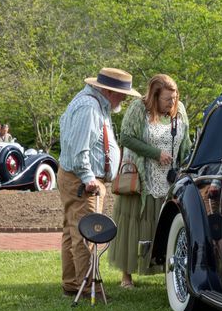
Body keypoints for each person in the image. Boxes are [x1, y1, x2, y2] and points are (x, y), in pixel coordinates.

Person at [58, 67, 140, 297]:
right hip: (83, 181)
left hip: (77, 178)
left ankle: (73, 284)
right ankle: (87, 288)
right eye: (120, 93)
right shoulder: (89, 108)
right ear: (106, 90)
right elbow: (79, 148)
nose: (123, 98)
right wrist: (88, 178)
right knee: (87, 234)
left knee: (73, 231)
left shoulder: (93, 103)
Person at [110, 74, 190, 289]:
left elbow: (186, 143)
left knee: (163, 226)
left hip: (169, 180)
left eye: (174, 98)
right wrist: (155, 153)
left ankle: (168, 272)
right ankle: (126, 276)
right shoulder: (139, 108)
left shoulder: (179, 110)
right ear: (154, 97)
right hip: (143, 178)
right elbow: (126, 137)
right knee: (135, 224)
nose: (172, 103)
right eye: (167, 99)